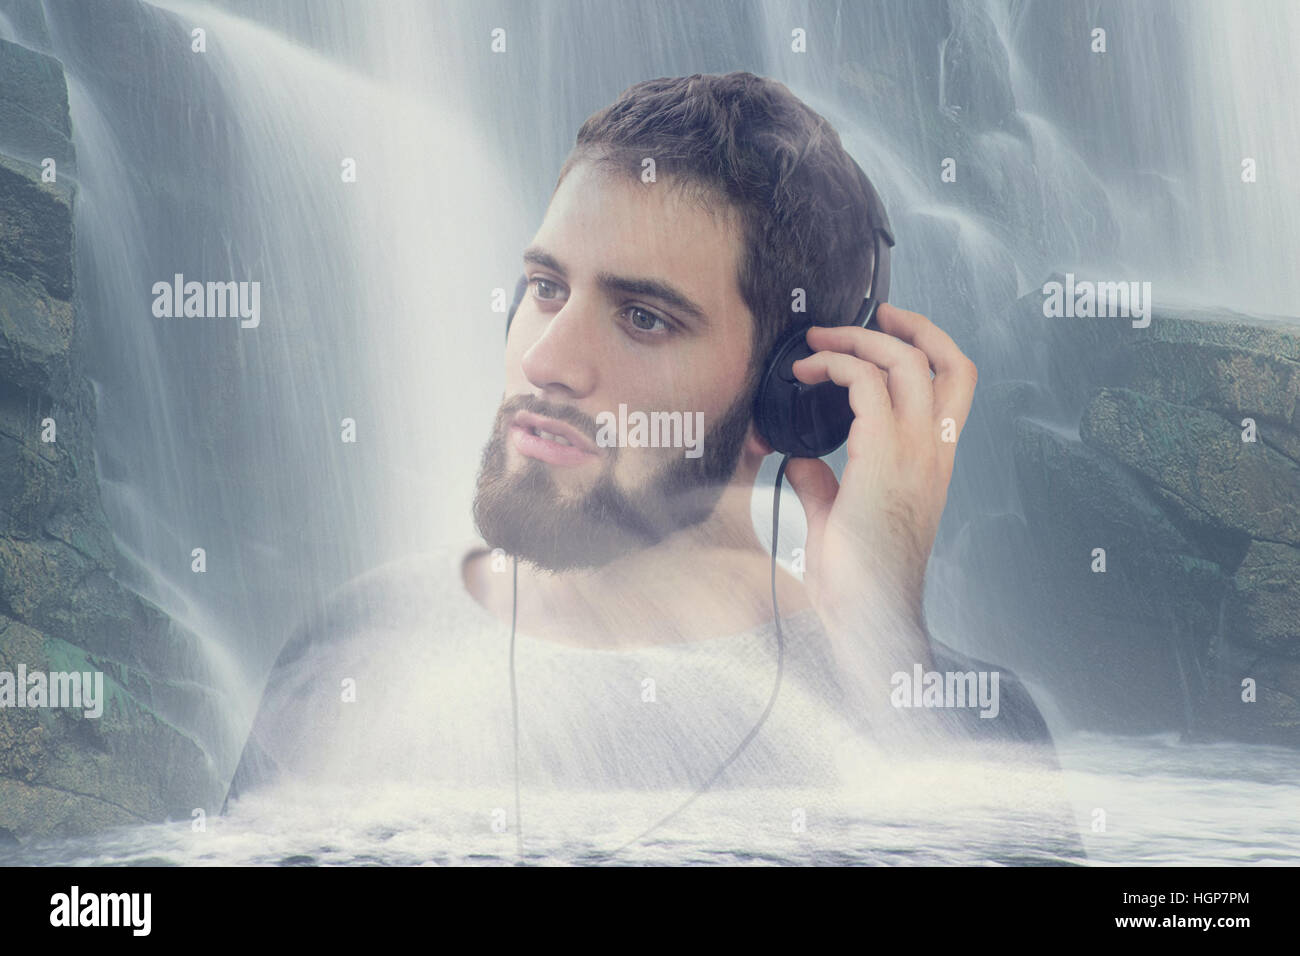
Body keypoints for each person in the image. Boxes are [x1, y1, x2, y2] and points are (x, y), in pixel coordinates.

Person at [229, 72, 1083, 862]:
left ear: (789, 395)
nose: (548, 361)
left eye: (642, 317)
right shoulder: (360, 643)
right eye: (547, 287)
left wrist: (883, 655)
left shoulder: (950, 716)